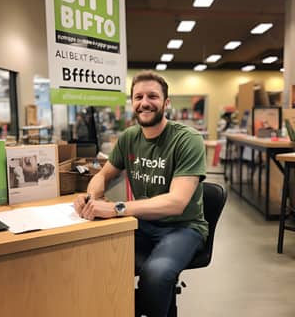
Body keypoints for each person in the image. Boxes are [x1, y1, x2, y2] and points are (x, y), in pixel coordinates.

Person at [74, 70, 208, 317]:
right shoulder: (129, 137)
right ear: (132, 103)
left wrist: (116, 208)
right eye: (138, 97)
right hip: (143, 222)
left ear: (166, 103)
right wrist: (91, 197)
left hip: (183, 227)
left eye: (152, 96)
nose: (144, 102)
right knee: (93, 255)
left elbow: (177, 203)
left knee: (155, 276)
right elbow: (102, 175)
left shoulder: (188, 140)